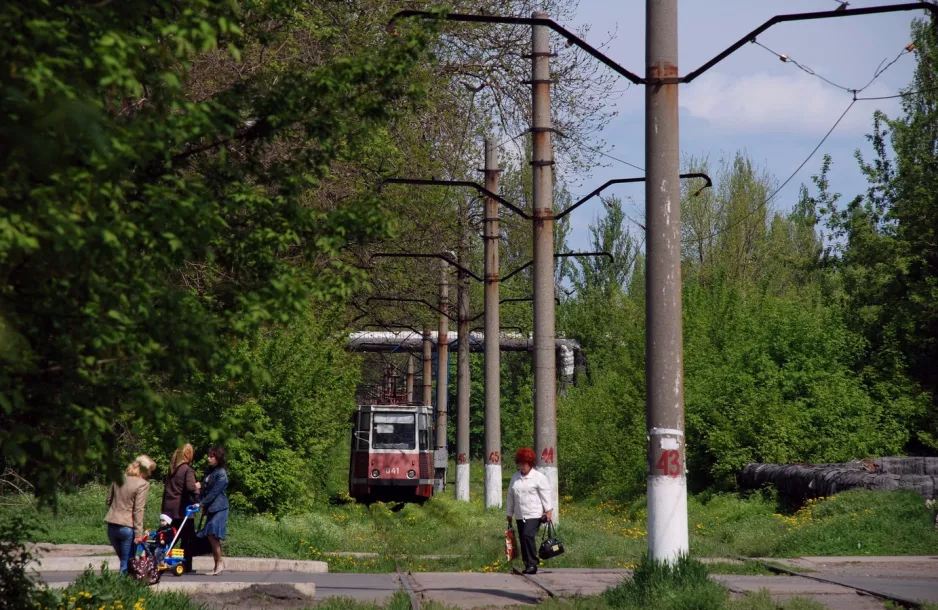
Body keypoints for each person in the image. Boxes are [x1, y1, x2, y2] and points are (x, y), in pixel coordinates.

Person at [104, 455, 156, 575]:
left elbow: (108, 500)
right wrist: (139, 534)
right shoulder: (142, 484)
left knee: (123, 560)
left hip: (112, 525)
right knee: (126, 565)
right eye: (150, 470)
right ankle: (125, 591)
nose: (150, 474)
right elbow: (138, 510)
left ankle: (123, 588)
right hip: (127, 527)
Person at [505, 447, 552, 575]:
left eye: (524, 463)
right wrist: (509, 513)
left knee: (528, 536)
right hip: (520, 514)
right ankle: (527, 564)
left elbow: (546, 494)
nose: (521, 466)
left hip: (534, 514)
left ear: (530, 463)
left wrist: (548, 511)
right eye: (519, 463)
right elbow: (510, 495)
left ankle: (533, 563)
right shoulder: (515, 477)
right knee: (522, 538)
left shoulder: (538, 477)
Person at [161, 443, 200, 572]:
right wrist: (198, 487)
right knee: (188, 539)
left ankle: (162, 559)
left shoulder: (172, 469)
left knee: (170, 536)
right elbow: (190, 487)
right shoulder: (187, 469)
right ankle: (185, 565)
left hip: (169, 507)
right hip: (182, 509)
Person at [194, 447, 229, 576]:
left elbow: (214, 492)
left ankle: (219, 563)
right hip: (211, 508)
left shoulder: (221, 474)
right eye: (208, 456)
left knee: (213, 533)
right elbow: (206, 489)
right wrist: (200, 490)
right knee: (210, 535)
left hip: (220, 508)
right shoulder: (209, 471)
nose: (208, 458)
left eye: (211, 456)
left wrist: (202, 503)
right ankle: (218, 565)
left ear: (218, 458)